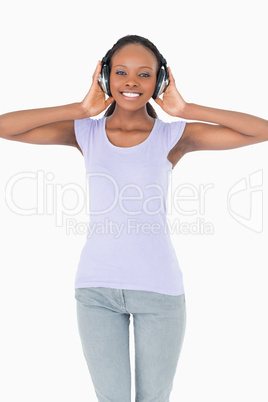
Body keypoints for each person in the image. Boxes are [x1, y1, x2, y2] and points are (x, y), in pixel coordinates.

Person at [0, 34, 267, 402]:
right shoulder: (85, 132)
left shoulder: (174, 136)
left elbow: (262, 130)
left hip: (159, 293)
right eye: (121, 72)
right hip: (96, 293)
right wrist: (80, 109)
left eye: (145, 74)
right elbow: (4, 126)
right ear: (105, 76)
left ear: (160, 81)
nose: (131, 81)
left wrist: (186, 110)